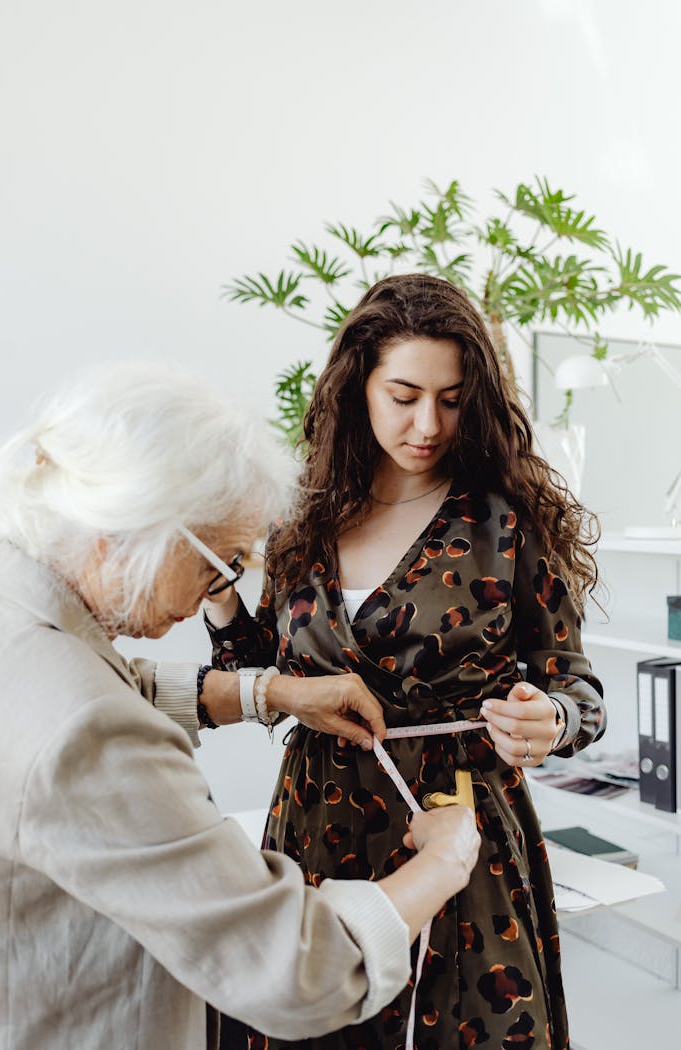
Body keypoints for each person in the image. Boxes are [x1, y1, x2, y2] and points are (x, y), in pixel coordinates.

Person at [0, 363, 481, 1050]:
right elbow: (295, 971)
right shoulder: (86, 725)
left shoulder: (2, 592)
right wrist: (443, 866)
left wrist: (269, 691)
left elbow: (112, 681)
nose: (215, 590)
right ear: (134, 529)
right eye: (219, 562)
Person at [202, 275, 607, 1050]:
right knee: (309, 1009)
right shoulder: (304, 516)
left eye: (453, 399)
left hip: (455, 834)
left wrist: (551, 719)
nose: (429, 424)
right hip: (316, 826)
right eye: (405, 394)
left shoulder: (507, 521)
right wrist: (220, 599)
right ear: (358, 385)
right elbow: (263, 672)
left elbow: (577, 687)